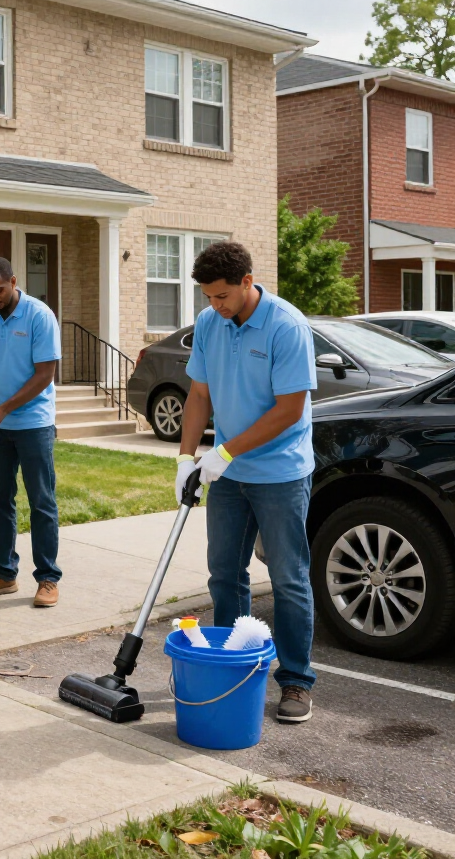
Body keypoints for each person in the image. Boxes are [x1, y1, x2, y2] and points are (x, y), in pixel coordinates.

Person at [177, 240, 317, 724]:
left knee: (288, 578)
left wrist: (227, 450)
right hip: (228, 473)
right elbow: (198, 393)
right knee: (224, 575)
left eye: (222, 296)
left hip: (280, 472)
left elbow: (289, 410)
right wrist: (185, 457)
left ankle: (296, 680)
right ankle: (234, 667)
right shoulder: (210, 325)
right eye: (207, 298)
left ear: (246, 281)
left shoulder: (285, 326)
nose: (214, 306)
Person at [0, 256, 63, 608]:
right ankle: (5, 573)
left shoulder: (39, 316)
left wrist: (5, 408)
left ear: (14, 281)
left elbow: (44, 375)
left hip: (33, 423)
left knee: (42, 502)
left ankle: (48, 578)